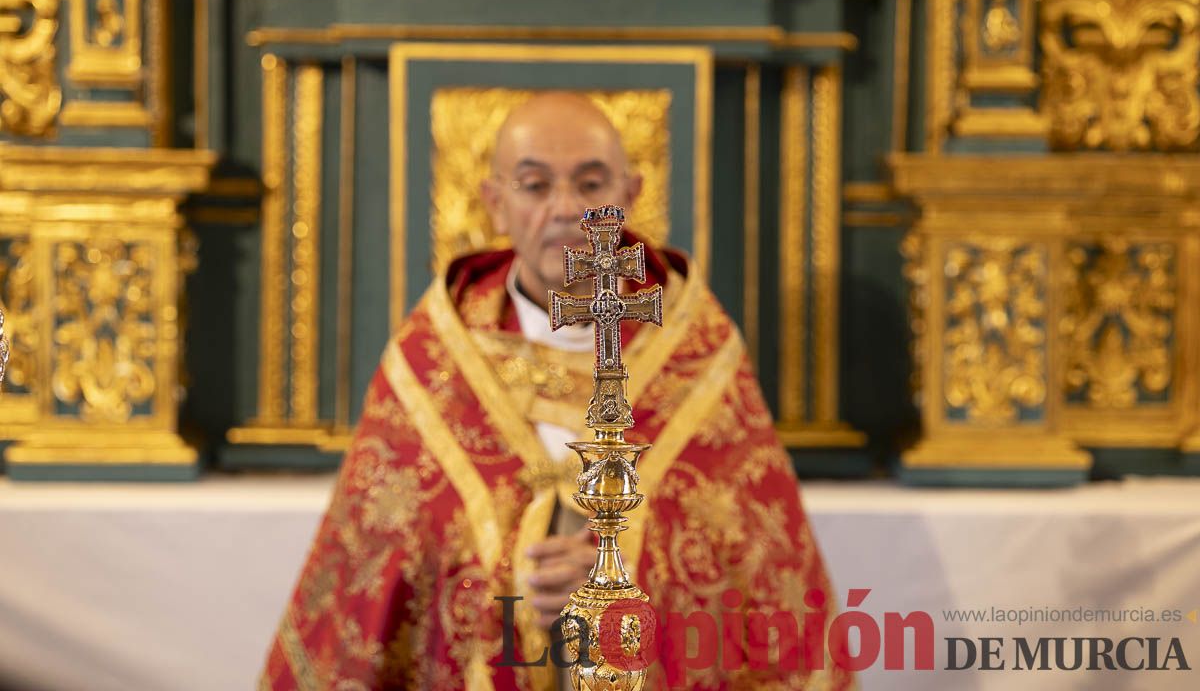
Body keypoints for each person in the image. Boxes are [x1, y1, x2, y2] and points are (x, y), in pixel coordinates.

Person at [261, 92, 852, 690]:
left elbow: (752, 569)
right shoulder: (432, 362)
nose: (567, 210)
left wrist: (619, 581)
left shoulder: (697, 351)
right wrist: (513, 578)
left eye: (591, 185)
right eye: (535, 186)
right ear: (495, 203)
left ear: (630, 195)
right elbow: (378, 577)